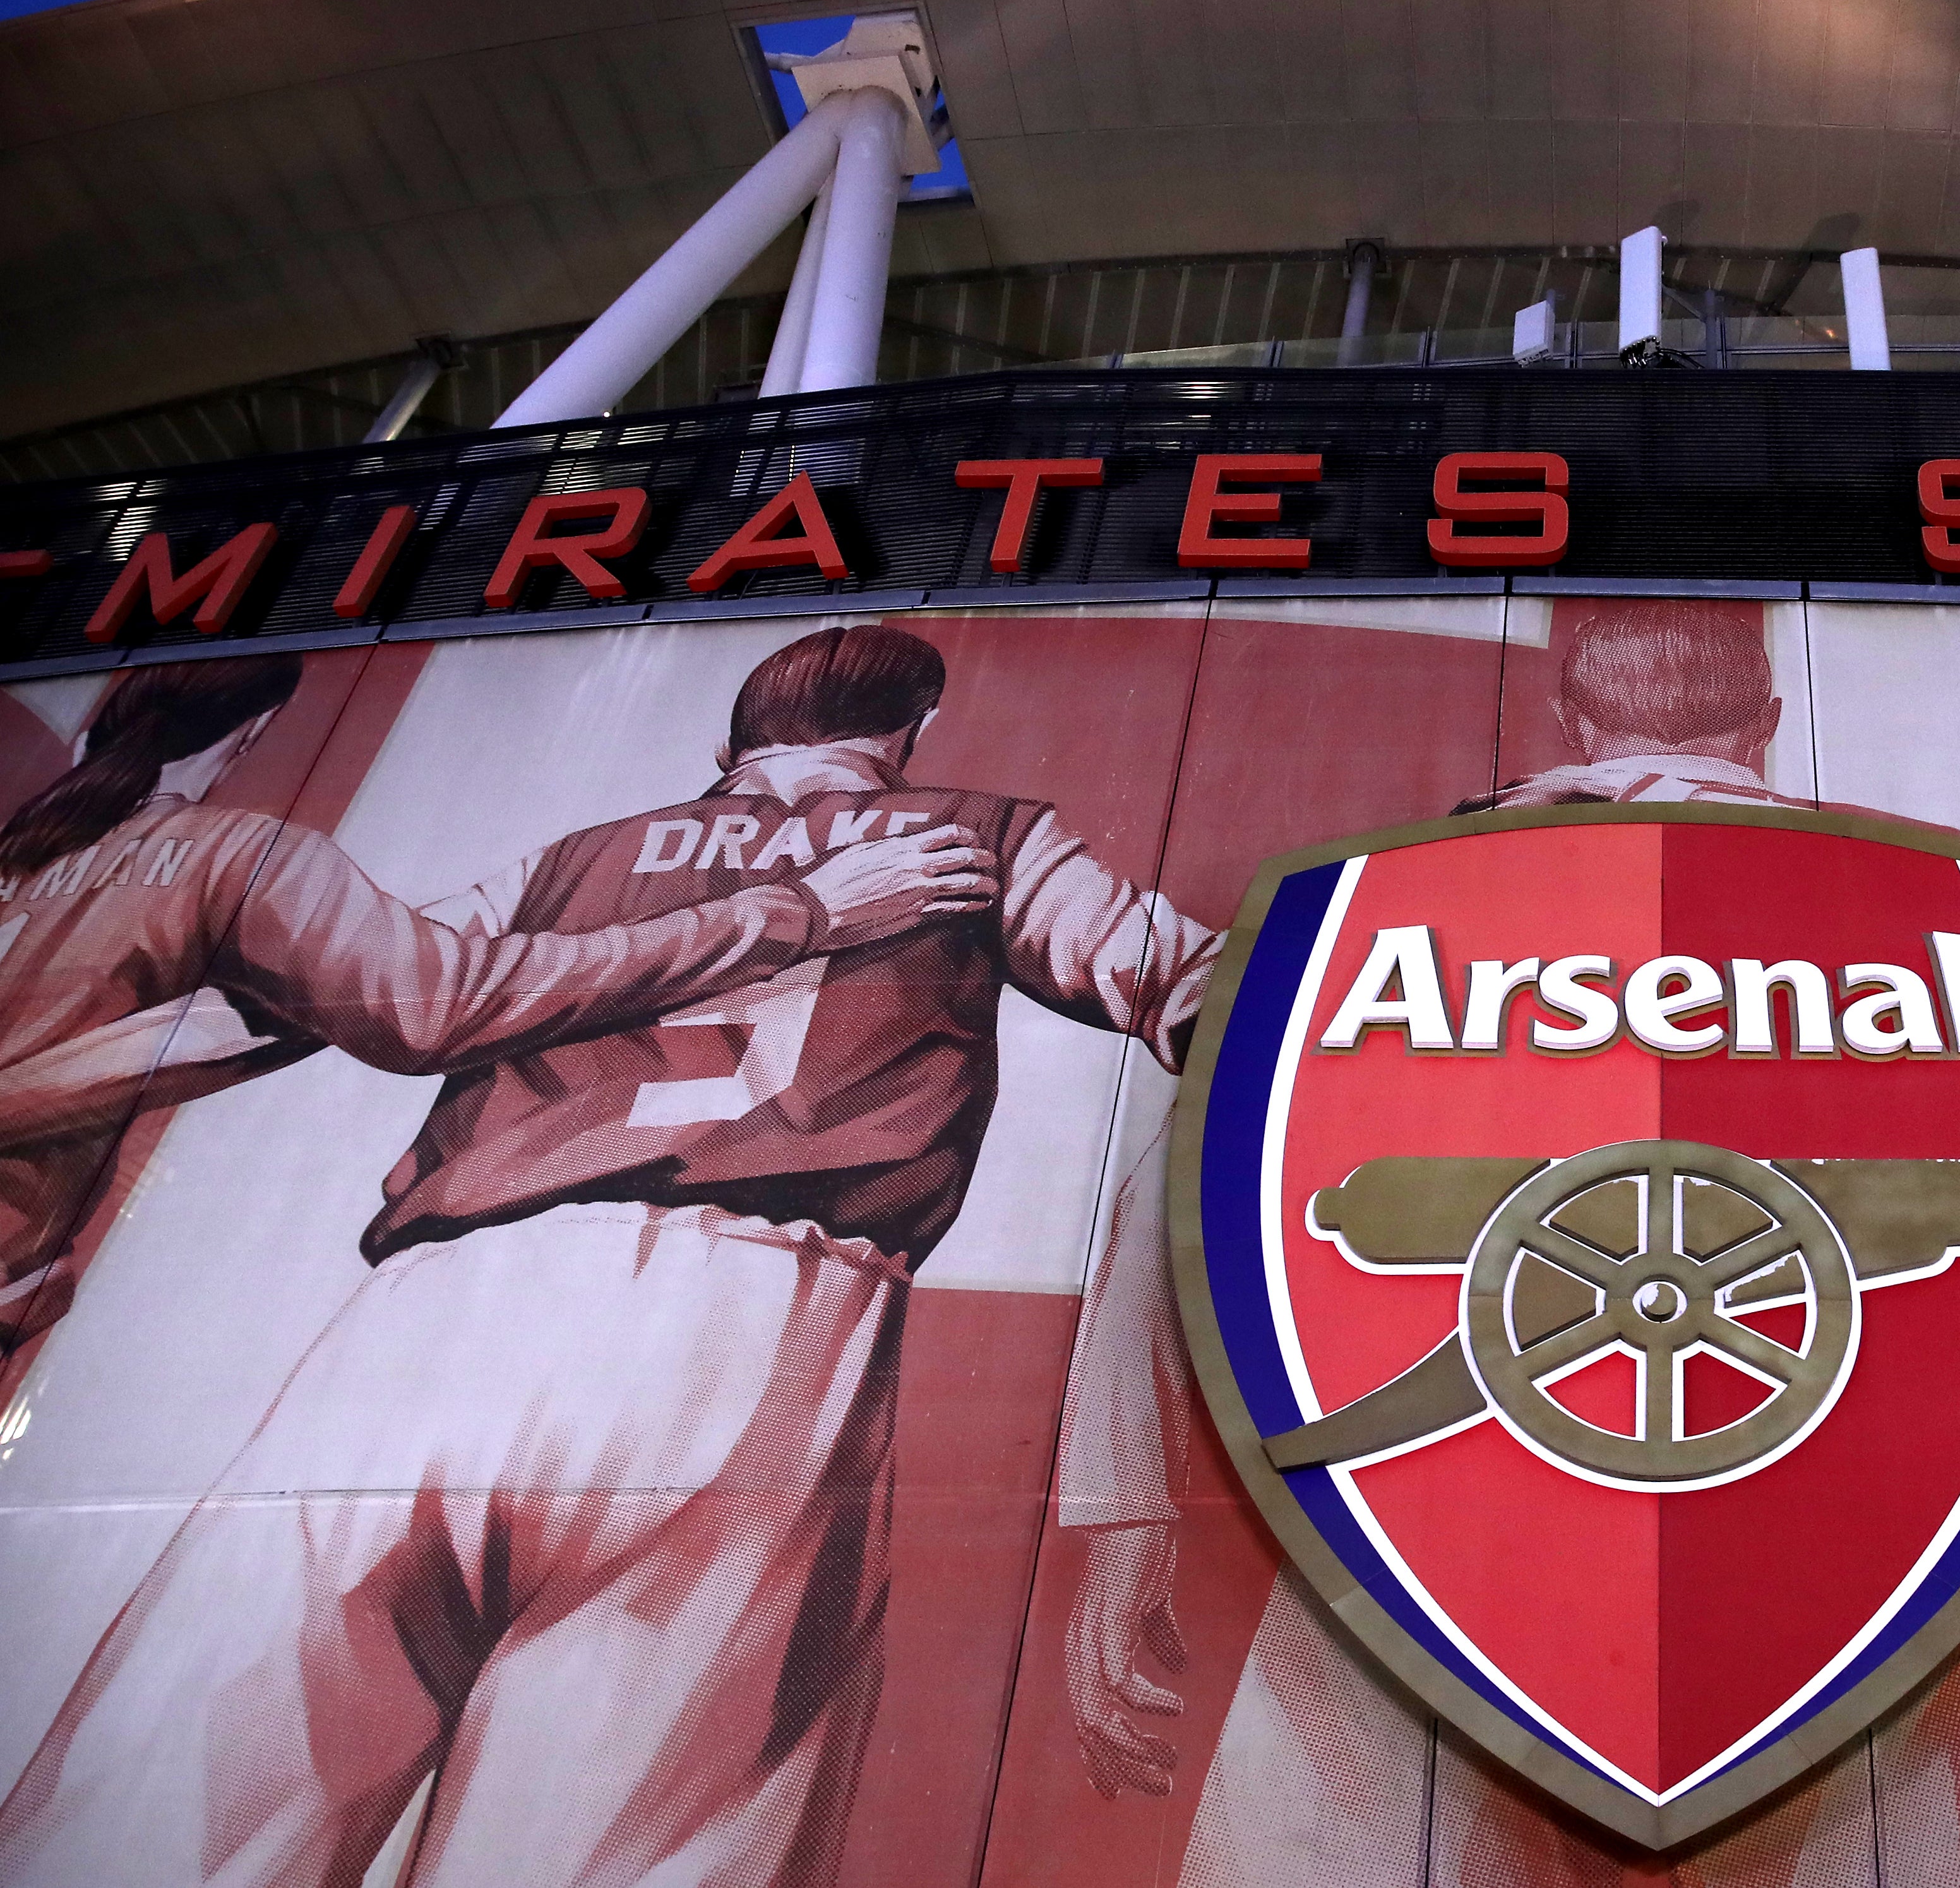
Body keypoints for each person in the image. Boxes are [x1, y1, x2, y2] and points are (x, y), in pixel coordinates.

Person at [0, 624, 1221, 1888]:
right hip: (754, 1330)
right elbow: (1187, 980)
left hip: (429, 1319)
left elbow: (259, 1023)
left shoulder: (579, 855)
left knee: (161, 1824)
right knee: (626, 1847)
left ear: (726, 747)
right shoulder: (971, 836)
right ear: (908, 741)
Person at [1055, 600, 1960, 1888]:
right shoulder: (1944, 907)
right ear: (1769, 724)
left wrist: (1124, 1518)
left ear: (1567, 713)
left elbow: (1182, 1201)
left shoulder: (1356, 910)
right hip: (1880, 1546)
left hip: (1418, 1553)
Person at [0, 652, 990, 1377]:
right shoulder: (234, 856)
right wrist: (801, 911)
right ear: (251, 736)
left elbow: (225, 1031)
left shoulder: (36, 865)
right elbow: (442, 1002)